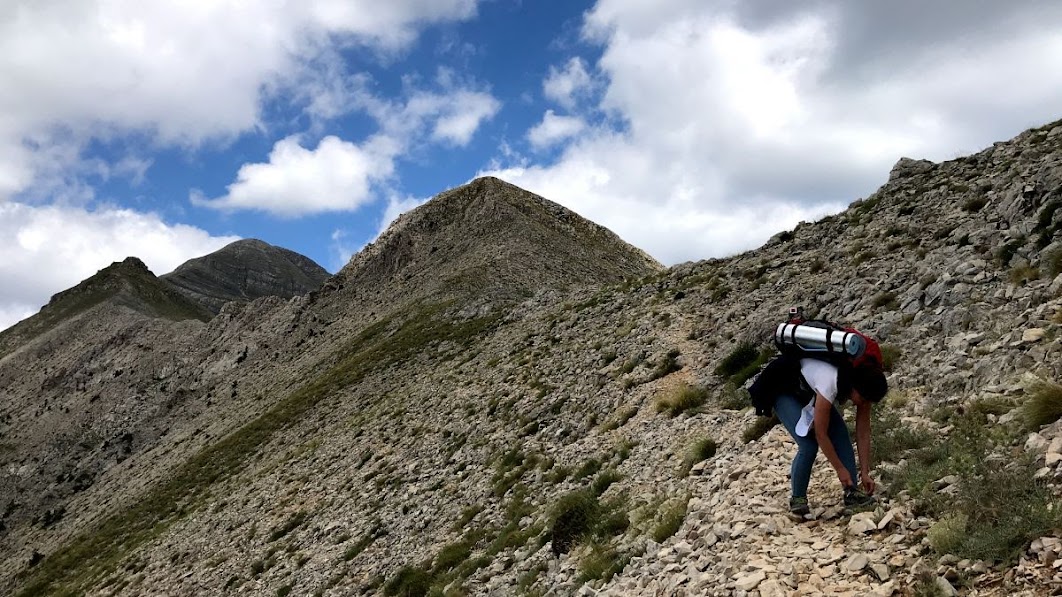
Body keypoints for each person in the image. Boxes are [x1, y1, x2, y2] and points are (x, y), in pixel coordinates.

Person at [769, 357, 888, 516]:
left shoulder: (863, 390)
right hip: (782, 388)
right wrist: (840, 469)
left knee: (841, 435)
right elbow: (821, 434)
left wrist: (865, 472)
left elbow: (863, 433)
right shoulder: (829, 382)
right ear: (855, 388)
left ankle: (851, 492)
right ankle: (798, 498)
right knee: (808, 445)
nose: (863, 404)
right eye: (864, 399)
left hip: (809, 391)